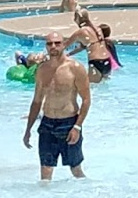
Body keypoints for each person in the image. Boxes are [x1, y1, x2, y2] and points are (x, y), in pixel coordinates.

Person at [23, 29, 91, 180]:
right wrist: (28, 129)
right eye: (49, 44)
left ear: (64, 45)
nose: (53, 46)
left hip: (68, 124)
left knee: (75, 170)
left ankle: (88, 195)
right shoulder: (42, 70)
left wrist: (77, 127)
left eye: (57, 43)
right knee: (45, 172)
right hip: (47, 124)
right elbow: (37, 101)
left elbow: (86, 100)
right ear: (46, 46)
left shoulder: (75, 68)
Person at [69, 12, 115, 82]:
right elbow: (84, 46)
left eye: (75, 17)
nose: (74, 19)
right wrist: (69, 54)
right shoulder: (97, 29)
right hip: (107, 61)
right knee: (105, 86)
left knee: (91, 88)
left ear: (78, 18)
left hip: (95, 62)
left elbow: (65, 44)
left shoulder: (82, 31)